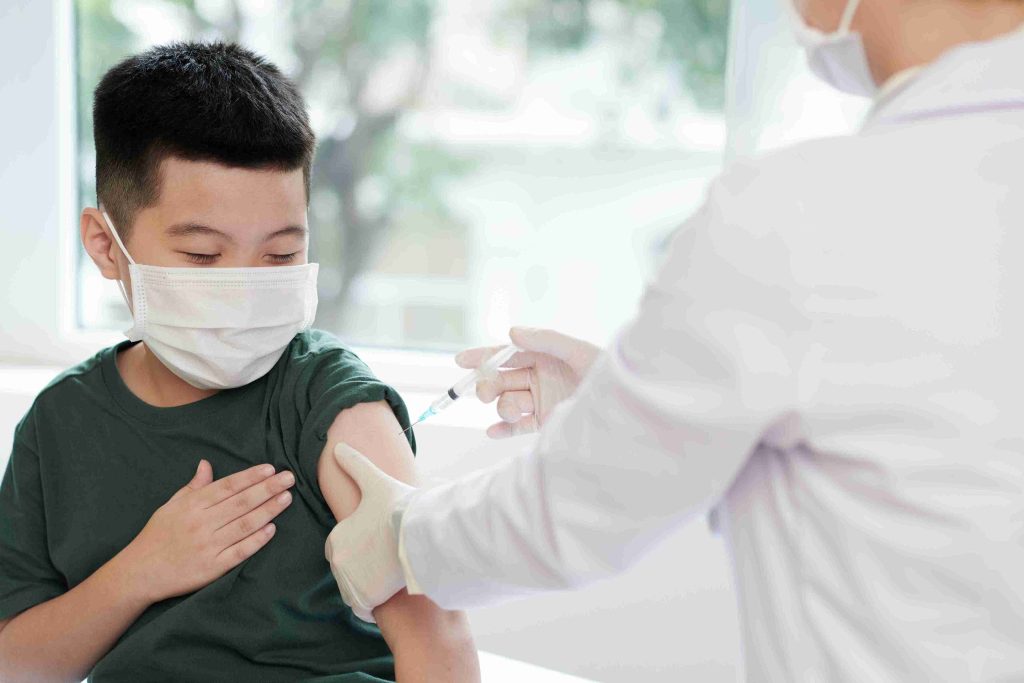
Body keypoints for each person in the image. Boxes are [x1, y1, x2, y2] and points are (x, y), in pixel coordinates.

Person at [324, 0, 1024, 680]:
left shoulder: (800, 215)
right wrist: (616, 398)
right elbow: (914, 444)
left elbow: (572, 508)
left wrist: (402, 536)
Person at [0, 42, 479, 683]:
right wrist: (140, 572)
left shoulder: (326, 397)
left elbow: (437, 633)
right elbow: (18, 663)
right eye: (202, 256)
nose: (245, 288)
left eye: (280, 254)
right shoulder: (59, 423)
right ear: (105, 246)